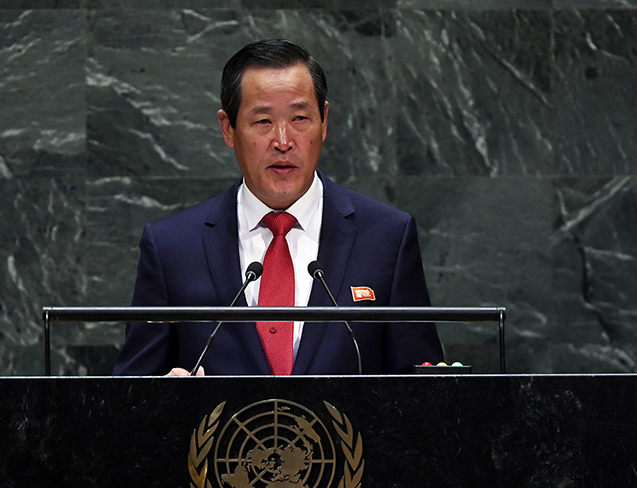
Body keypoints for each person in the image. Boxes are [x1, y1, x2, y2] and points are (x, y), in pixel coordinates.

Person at [113, 39, 443, 376]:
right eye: (263, 122)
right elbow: (130, 395)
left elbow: (422, 390)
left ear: (324, 120)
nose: (283, 141)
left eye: (300, 118)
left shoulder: (387, 237)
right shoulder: (172, 248)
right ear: (228, 129)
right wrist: (161, 405)